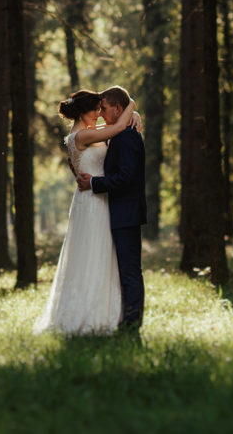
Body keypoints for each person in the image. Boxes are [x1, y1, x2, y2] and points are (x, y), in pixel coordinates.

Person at [33, 89, 139, 336]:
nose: (100, 114)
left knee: (102, 255)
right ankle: (89, 315)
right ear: (84, 112)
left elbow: (117, 123)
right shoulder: (83, 135)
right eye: (96, 109)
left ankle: (107, 311)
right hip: (93, 202)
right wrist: (131, 103)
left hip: (95, 198)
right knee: (93, 254)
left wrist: (137, 115)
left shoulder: (84, 132)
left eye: (102, 109)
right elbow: (117, 127)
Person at [76, 85, 147, 333]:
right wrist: (133, 110)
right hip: (118, 212)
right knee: (124, 270)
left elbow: (126, 177)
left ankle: (132, 322)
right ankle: (124, 317)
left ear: (118, 108)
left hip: (126, 212)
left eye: (105, 108)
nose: (102, 114)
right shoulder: (119, 133)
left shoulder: (126, 136)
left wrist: (94, 183)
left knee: (129, 271)